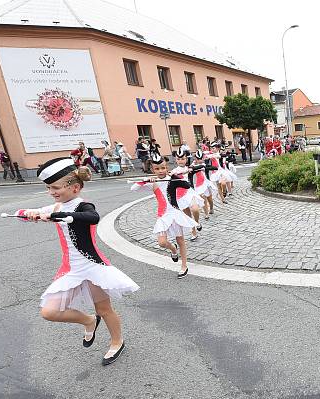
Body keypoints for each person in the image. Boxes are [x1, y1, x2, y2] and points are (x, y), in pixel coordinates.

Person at [17, 158, 138, 365]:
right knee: (49, 311)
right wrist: (28, 214)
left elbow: (93, 217)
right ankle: (88, 321)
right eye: (48, 188)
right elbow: (30, 213)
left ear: (74, 187)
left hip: (92, 266)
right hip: (71, 269)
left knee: (104, 309)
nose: (51, 192)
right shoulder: (56, 205)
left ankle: (117, 342)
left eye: (55, 187)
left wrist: (62, 215)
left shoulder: (83, 205)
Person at [131, 153, 196, 278]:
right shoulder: (153, 183)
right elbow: (133, 188)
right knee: (161, 242)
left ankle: (184, 266)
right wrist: (145, 180)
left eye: (163, 168)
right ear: (152, 169)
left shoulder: (172, 180)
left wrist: (174, 175)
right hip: (162, 216)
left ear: (166, 167)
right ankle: (173, 250)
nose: (160, 171)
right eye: (157, 169)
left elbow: (186, 185)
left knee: (180, 239)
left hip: (175, 213)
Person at [170, 148, 204, 241]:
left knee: (195, 209)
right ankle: (193, 232)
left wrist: (195, 168)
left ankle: (197, 223)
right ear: (176, 159)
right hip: (180, 196)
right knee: (188, 215)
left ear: (186, 159)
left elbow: (199, 167)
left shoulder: (190, 168)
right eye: (178, 159)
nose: (181, 161)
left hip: (190, 192)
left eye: (183, 159)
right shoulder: (173, 171)